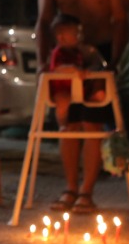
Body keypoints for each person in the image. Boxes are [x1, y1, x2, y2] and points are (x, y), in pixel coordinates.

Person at [35, 0, 129, 213]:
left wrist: (113, 63)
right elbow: (43, 20)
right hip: (63, 59)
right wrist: (42, 64)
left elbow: (121, 20)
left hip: (98, 53)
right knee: (67, 123)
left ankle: (87, 192)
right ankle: (69, 187)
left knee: (92, 125)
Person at [45, 14, 107, 176]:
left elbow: (93, 66)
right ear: (62, 38)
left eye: (80, 33)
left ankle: (95, 97)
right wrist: (73, 70)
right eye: (76, 33)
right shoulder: (58, 53)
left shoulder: (79, 52)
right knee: (62, 101)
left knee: (90, 94)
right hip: (62, 88)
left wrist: (85, 72)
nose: (80, 37)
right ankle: (63, 124)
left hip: (77, 88)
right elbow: (57, 68)